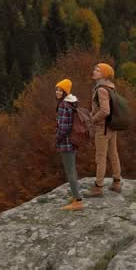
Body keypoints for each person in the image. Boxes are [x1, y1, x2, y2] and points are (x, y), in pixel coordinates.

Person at [86, 63, 122, 197]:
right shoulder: (110, 87)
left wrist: (92, 120)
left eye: (97, 70)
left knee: (100, 157)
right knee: (113, 154)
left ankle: (98, 187)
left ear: (104, 74)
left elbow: (105, 110)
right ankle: (117, 182)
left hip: (102, 128)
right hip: (112, 127)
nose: (94, 71)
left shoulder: (101, 89)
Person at [55, 78, 84, 211]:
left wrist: (57, 139)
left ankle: (77, 201)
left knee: (69, 171)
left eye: (60, 90)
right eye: (56, 89)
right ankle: (76, 196)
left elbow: (64, 127)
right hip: (73, 141)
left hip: (66, 142)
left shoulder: (63, 105)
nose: (57, 92)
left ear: (66, 92)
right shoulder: (73, 103)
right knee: (73, 169)